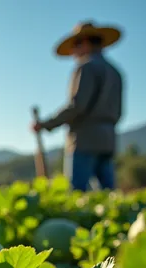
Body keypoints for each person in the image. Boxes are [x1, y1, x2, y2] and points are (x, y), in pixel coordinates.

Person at [31, 21, 124, 191]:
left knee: (77, 192)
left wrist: (46, 124)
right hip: (108, 138)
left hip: (84, 139)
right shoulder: (115, 71)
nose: (73, 52)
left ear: (86, 42)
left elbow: (77, 106)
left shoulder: (86, 68)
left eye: (75, 45)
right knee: (108, 193)